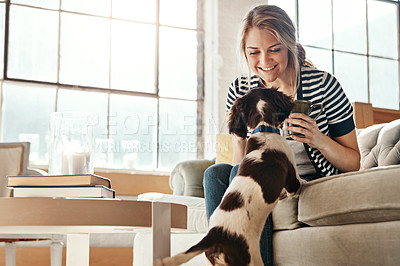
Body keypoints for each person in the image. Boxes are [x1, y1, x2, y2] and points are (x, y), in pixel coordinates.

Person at [203, 4, 361, 265]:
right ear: (244, 52)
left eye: (274, 49)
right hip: (263, 175)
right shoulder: (241, 89)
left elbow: (354, 163)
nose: (264, 62)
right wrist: (241, 137)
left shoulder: (323, 86)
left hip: (306, 179)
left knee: (235, 174)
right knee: (215, 174)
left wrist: (317, 138)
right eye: (254, 52)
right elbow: (238, 161)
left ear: (289, 44)